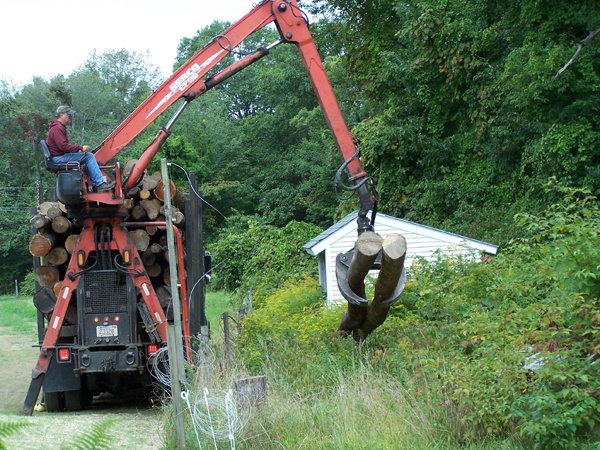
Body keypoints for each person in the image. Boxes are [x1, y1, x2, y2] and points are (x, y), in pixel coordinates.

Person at [46, 105, 115, 193]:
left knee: (85, 157)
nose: (70, 117)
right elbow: (63, 146)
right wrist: (81, 148)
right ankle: (100, 184)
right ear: (62, 115)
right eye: (68, 115)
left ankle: (95, 185)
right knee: (88, 156)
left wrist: (78, 150)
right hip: (58, 158)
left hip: (59, 156)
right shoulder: (57, 128)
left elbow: (63, 146)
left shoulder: (57, 127)